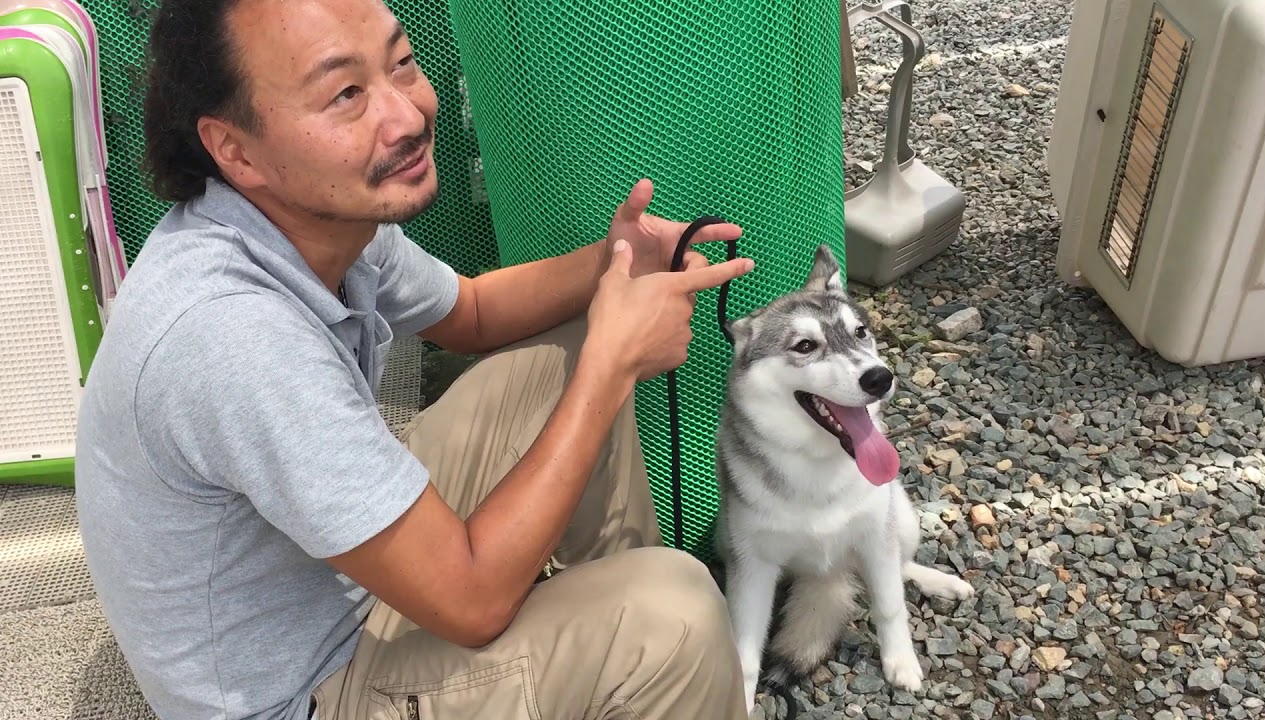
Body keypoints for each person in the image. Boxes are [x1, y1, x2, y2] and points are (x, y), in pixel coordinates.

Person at [72, 0, 757, 718]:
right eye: (345, 94)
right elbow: (472, 602)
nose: (405, 116)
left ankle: (618, 657)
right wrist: (614, 365)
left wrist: (613, 262)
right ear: (235, 149)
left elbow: (473, 310)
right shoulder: (233, 337)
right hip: (302, 689)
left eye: (400, 63)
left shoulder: (313, 214)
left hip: (334, 584)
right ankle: (649, 659)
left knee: (568, 352)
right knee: (674, 617)